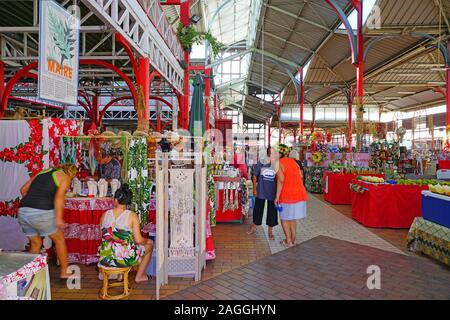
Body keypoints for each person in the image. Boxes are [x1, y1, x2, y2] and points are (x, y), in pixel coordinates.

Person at [18, 164, 77, 279]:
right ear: (71, 174)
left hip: (23, 211)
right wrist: (59, 218)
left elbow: (23, 190)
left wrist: (32, 204)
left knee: (35, 243)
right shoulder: (65, 177)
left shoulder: (43, 171)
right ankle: (65, 272)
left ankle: (29, 274)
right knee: (59, 239)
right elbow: (59, 198)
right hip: (41, 212)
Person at [98, 184, 153, 283]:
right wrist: (148, 240)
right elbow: (139, 240)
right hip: (124, 258)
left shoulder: (104, 215)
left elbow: (102, 236)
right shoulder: (132, 216)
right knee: (149, 246)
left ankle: (119, 275)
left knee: (120, 244)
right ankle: (139, 276)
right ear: (128, 201)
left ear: (115, 200)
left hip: (105, 257)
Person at [274, 144, 308, 248]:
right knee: (292, 218)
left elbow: (281, 180)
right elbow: (301, 176)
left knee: (284, 218)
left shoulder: (278, 163)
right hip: (299, 193)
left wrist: (277, 197)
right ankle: (294, 239)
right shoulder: (294, 162)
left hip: (287, 194)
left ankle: (288, 241)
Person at [247, 147, 278, 240]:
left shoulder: (276, 164)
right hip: (261, 190)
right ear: (268, 153)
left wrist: (278, 193)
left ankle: (270, 231)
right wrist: (254, 190)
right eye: (270, 152)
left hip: (272, 191)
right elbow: (255, 176)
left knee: (272, 211)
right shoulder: (261, 162)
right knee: (258, 209)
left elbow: (278, 178)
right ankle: (254, 226)